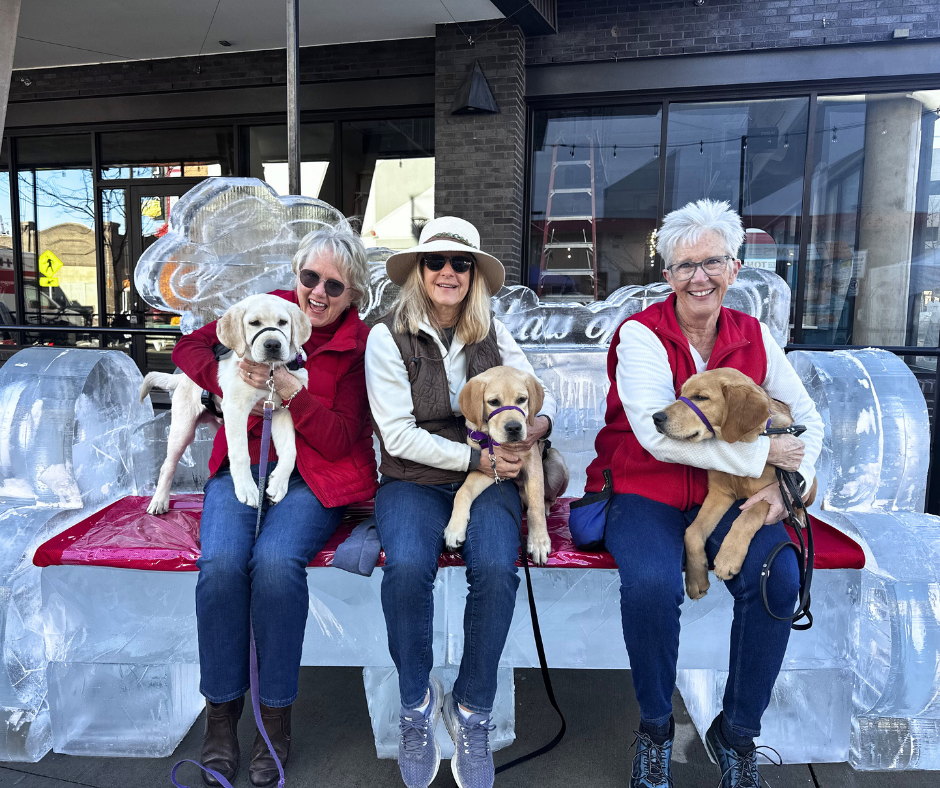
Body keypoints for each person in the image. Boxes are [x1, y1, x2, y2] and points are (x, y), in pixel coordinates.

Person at [583, 200, 824, 788]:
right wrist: (763, 453)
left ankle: (738, 733)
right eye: (685, 265)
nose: (699, 277)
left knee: (779, 577)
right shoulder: (640, 333)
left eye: (712, 262)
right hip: (643, 485)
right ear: (666, 275)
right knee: (650, 582)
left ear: (734, 268)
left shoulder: (756, 336)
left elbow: (809, 422)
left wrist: (791, 488)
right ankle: (656, 729)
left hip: (730, 494)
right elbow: (654, 438)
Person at [171, 225, 377, 788]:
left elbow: (340, 439)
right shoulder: (266, 312)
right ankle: (221, 719)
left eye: (334, 286)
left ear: (353, 292)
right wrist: (224, 374)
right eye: (310, 278)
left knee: (276, 564)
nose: (317, 293)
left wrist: (291, 390)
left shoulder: (361, 345)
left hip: (319, 477)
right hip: (242, 465)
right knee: (218, 565)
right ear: (296, 276)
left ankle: (274, 719)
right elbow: (187, 344)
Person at [366, 216, 558, 788]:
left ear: (474, 275)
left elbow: (538, 398)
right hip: (413, 479)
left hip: (492, 478)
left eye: (461, 263)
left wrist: (534, 429)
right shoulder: (386, 336)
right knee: (404, 567)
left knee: (498, 568)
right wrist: (478, 460)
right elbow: (396, 436)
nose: (448, 272)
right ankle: (416, 704)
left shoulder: (493, 332)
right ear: (419, 272)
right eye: (436, 262)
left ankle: (472, 708)